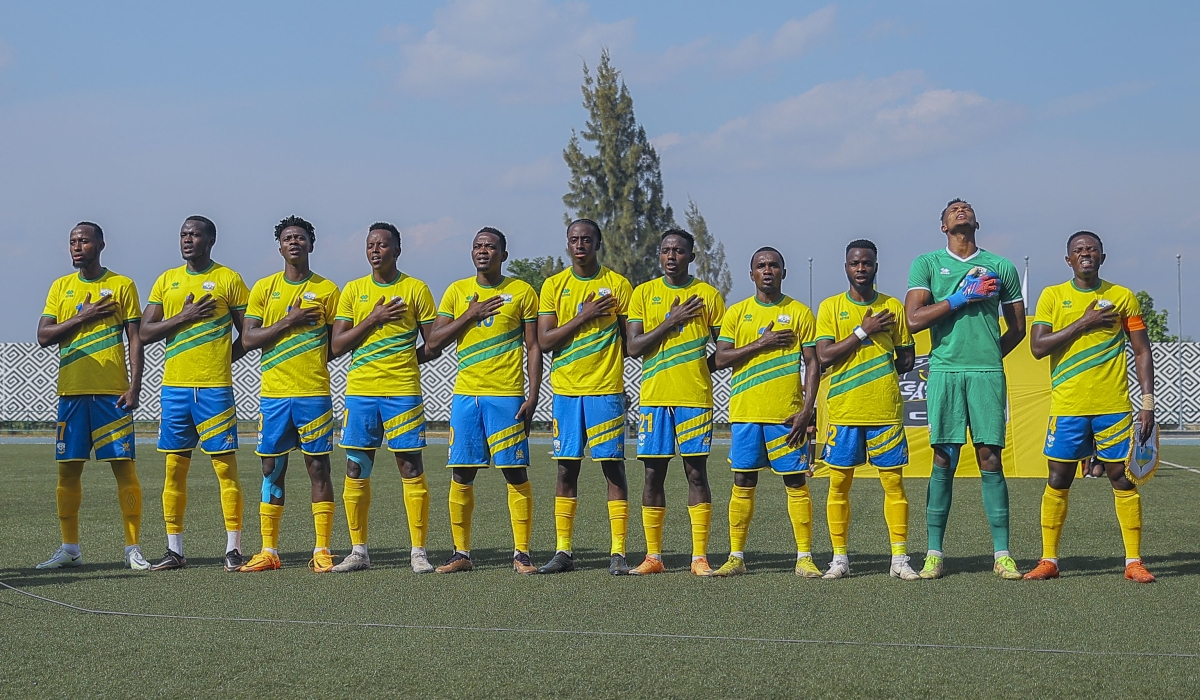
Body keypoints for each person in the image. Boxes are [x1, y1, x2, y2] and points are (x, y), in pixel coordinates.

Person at [1024, 231, 1156, 583]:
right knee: (1058, 478)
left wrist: (1147, 402)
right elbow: (1038, 347)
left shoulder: (1122, 297)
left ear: (1102, 256)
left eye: (1092, 249)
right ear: (1068, 260)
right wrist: (1085, 322)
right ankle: (1049, 559)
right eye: (1078, 251)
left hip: (1113, 406)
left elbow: (1142, 351)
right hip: (1067, 407)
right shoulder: (1053, 296)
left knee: (1123, 480)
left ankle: (1133, 562)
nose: (1086, 254)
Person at [905, 199, 1026, 580]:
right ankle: (934, 554)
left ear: (977, 221)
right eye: (954, 209)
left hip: (986, 372)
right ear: (943, 225)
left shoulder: (1001, 266)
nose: (962, 211)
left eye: (968, 208)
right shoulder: (926, 264)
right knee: (944, 458)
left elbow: (1019, 329)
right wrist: (961, 298)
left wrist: (988, 356)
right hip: (944, 371)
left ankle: (1002, 554)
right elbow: (912, 320)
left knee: (991, 457)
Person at [424, 227, 542, 574]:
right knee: (461, 473)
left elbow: (533, 346)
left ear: (503, 255)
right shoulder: (457, 292)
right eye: (478, 246)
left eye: (491, 246)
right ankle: (461, 553)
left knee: (514, 471)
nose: (483, 251)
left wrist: (533, 395)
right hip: (466, 396)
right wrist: (469, 316)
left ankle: (522, 553)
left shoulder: (521, 291)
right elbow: (433, 342)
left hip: (506, 395)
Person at [36, 222, 150, 570]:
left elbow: (135, 338)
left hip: (111, 394)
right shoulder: (61, 287)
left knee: (124, 468)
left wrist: (135, 386)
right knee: (68, 472)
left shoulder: (122, 285)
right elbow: (44, 335)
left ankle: (133, 548)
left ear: (100, 244)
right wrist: (83, 316)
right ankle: (70, 548)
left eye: (83, 241)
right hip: (71, 393)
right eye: (72, 241)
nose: (77, 246)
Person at [139, 216, 249, 571]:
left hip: (215, 389)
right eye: (183, 234)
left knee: (225, 469)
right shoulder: (166, 280)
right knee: (174, 470)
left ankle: (233, 548)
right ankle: (175, 550)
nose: (188, 240)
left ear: (211, 239)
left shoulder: (229, 279)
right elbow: (144, 332)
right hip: (174, 389)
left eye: (195, 234)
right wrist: (184, 316)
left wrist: (221, 357)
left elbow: (248, 334)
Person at [329, 223, 438, 574]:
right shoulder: (353, 290)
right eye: (370, 244)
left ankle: (418, 552)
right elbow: (337, 345)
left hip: (402, 391)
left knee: (410, 466)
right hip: (361, 392)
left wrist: (405, 359)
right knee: (356, 467)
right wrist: (374, 318)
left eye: (383, 245)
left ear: (397, 250)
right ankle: (358, 551)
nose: (376, 250)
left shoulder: (416, 288)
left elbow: (433, 344)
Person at [237, 216, 341, 573]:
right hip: (275, 395)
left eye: (300, 237)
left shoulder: (328, 290)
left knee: (319, 468)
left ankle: (322, 549)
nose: (293, 243)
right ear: (279, 246)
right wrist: (288, 321)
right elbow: (248, 339)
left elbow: (336, 345)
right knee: (271, 468)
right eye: (287, 238)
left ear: (311, 244)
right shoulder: (264, 288)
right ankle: (269, 551)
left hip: (313, 392)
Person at [710, 247, 820, 578]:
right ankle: (736, 557)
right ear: (752, 273)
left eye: (774, 265)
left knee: (796, 482)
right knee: (743, 480)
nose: (767, 270)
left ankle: (804, 558)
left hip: (786, 417)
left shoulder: (800, 312)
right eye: (761, 266)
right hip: (746, 414)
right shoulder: (736, 313)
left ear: (784, 272)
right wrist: (762, 342)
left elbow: (813, 363)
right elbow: (719, 359)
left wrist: (807, 410)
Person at [814, 240, 919, 581]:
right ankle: (840, 559)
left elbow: (907, 356)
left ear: (876, 266)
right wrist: (864, 331)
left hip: (884, 411)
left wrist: (879, 369)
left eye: (867, 263)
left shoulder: (893, 307)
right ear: (846, 267)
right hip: (844, 411)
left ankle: (899, 560)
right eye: (854, 263)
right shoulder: (830, 307)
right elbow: (824, 356)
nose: (861, 268)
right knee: (839, 486)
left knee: (894, 485)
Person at [535, 219, 635, 575]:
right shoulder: (553, 285)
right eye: (574, 239)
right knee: (566, 468)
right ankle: (564, 551)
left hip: (605, 390)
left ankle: (619, 552)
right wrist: (584, 316)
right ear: (568, 243)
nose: (580, 245)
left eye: (587, 239)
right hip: (565, 391)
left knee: (613, 467)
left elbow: (631, 342)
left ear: (598, 244)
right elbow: (545, 341)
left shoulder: (618, 285)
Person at [626, 230, 726, 576]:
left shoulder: (709, 296)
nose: (672, 256)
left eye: (679, 251)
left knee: (696, 473)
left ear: (691, 256)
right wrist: (671, 322)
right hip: (654, 399)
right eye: (666, 250)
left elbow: (723, 352)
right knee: (653, 474)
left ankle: (699, 557)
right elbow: (633, 347)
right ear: (659, 255)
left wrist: (699, 369)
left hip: (694, 398)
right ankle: (654, 556)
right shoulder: (643, 294)